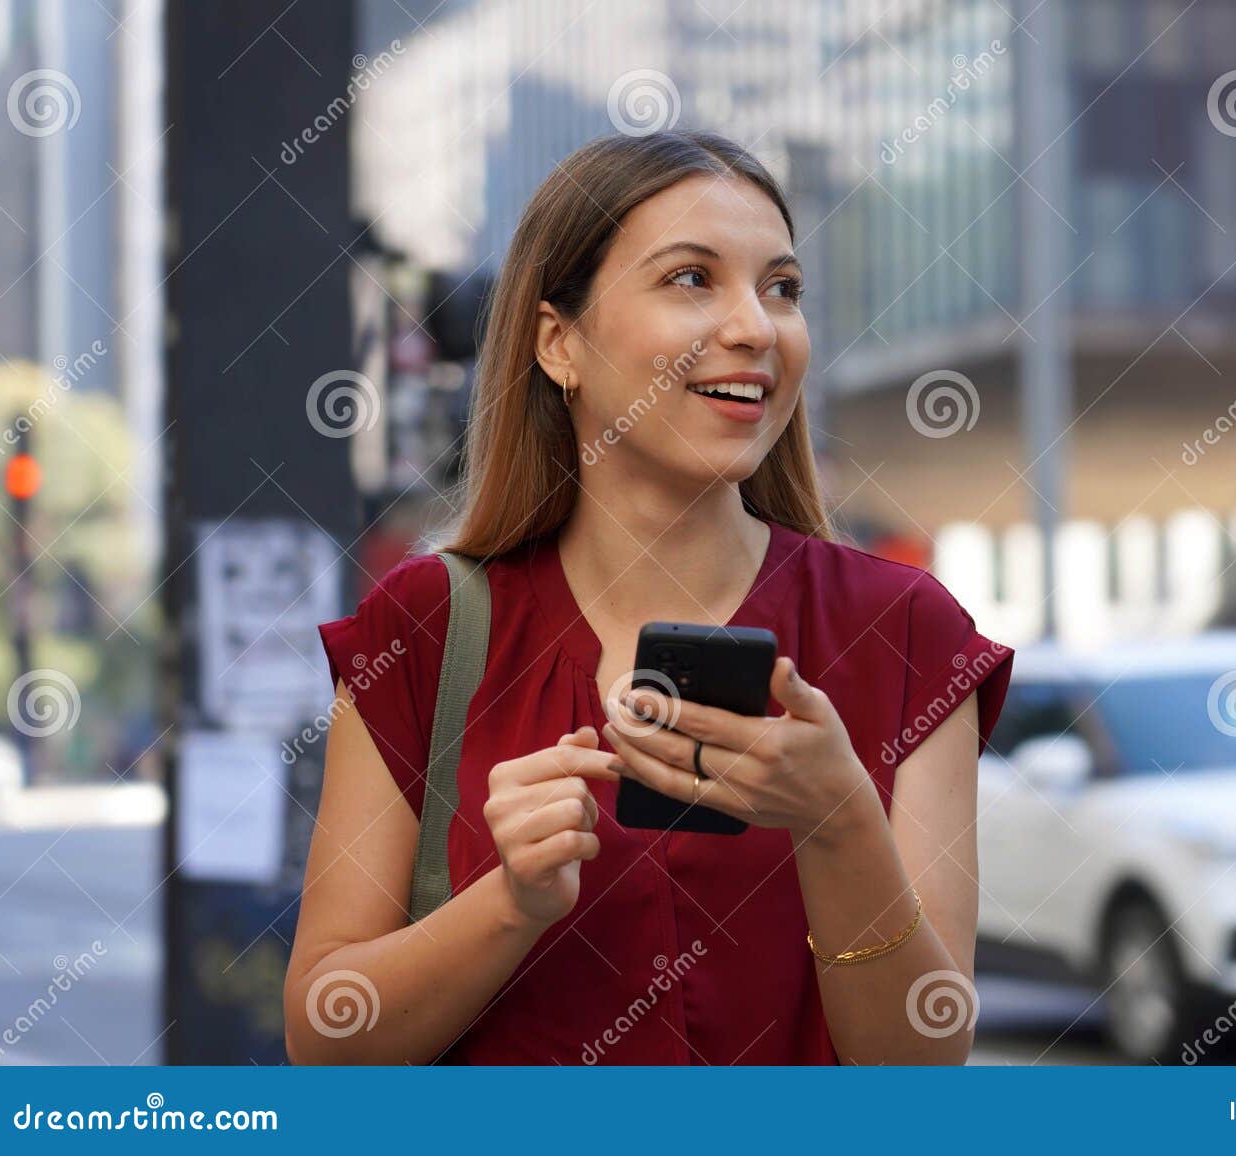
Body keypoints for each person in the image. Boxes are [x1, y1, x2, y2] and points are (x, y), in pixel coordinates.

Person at [283, 128, 1014, 1065]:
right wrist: (509, 904)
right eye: (690, 279)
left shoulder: (906, 632)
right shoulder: (424, 627)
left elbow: (921, 1068)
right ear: (559, 343)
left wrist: (839, 826)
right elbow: (324, 1037)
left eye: (782, 288)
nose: (756, 327)